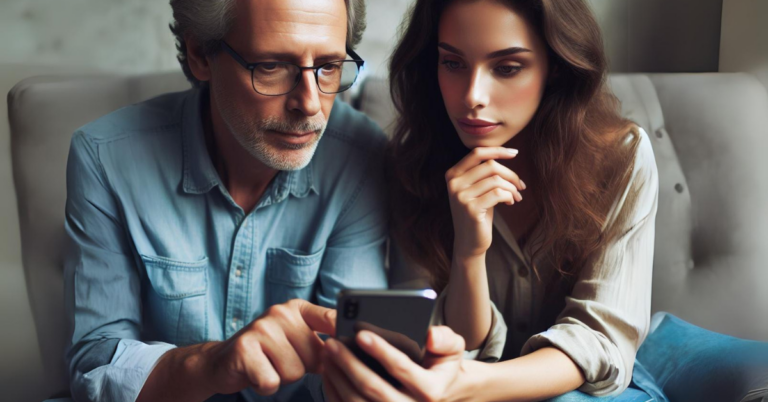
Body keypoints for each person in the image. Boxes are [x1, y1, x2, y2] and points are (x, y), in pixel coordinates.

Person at [321, 0, 660, 401]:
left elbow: (599, 342)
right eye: (452, 63)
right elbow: (442, 343)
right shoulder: (411, 167)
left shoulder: (621, 157)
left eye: (507, 68)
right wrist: (469, 252)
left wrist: (468, 385)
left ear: (555, 66)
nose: (472, 96)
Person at [63, 0, 388, 401]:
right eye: (271, 66)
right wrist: (212, 365)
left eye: (328, 66)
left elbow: (353, 358)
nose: (309, 103)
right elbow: (96, 365)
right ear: (201, 54)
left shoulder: (361, 159)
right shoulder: (105, 157)